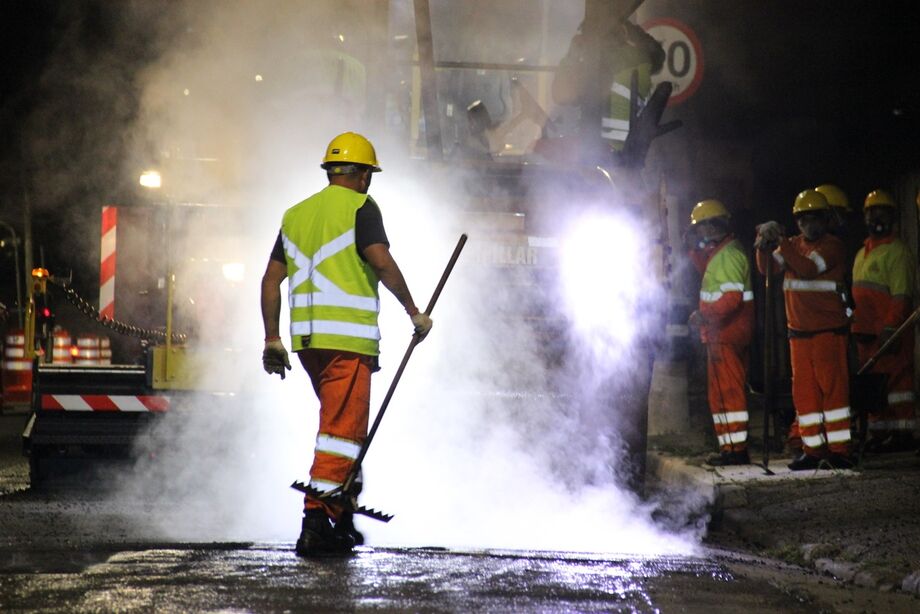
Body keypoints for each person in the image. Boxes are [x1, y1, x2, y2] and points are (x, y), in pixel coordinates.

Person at [260, 132, 433, 557]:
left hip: (306, 344)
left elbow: (270, 280)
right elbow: (381, 261)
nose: (369, 183)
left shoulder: (295, 214)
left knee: (340, 427)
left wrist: (272, 337)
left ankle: (342, 513)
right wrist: (414, 310)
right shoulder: (362, 207)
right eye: (369, 175)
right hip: (347, 342)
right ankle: (317, 519)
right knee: (340, 434)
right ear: (361, 176)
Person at [755, 190, 853, 470]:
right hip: (799, 336)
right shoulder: (794, 245)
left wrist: (782, 243)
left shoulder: (832, 246)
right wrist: (762, 245)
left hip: (828, 333)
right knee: (806, 397)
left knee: (833, 394)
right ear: (797, 222)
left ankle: (840, 451)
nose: (810, 225)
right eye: (804, 219)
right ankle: (813, 451)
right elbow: (768, 270)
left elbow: (809, 269)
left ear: (826, 220)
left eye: (815, 219)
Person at [687, 200, 755, 465]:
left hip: (727, 333)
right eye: (699, 228)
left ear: (717, 226)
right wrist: (693, 251)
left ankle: (736, 450)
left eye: (704, 227)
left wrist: (705, 315)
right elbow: (708, 270)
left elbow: (731, 299)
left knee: (728, 391)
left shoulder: (728, 255)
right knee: (720, 393)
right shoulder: (722, 253)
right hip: (720, 334)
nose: (702, 233)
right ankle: (729, 447)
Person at [851, 189, 917, 452]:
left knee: (898, 384)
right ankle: (879, 435)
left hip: (890, 332)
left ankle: (902, 434)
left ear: (892, 217)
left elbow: (902, 296)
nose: (875, 216)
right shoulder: (861, 253)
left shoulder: (898, 252)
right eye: (870, 211)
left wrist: (891, 329)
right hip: (865, 334)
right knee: (873, 387)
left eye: (882, 211)